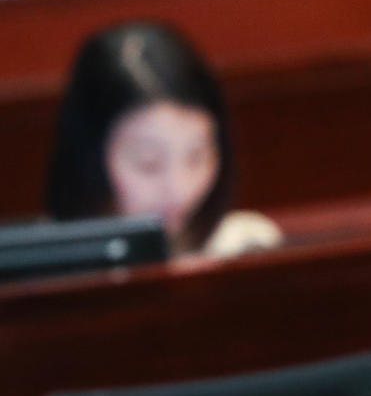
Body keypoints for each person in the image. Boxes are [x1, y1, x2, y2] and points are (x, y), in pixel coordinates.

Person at [47, 22, 282, 258]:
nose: (178, 189)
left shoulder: (244, 247)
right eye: (149, 164)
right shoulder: (49, 265)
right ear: (90, 158)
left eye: (196, 156)